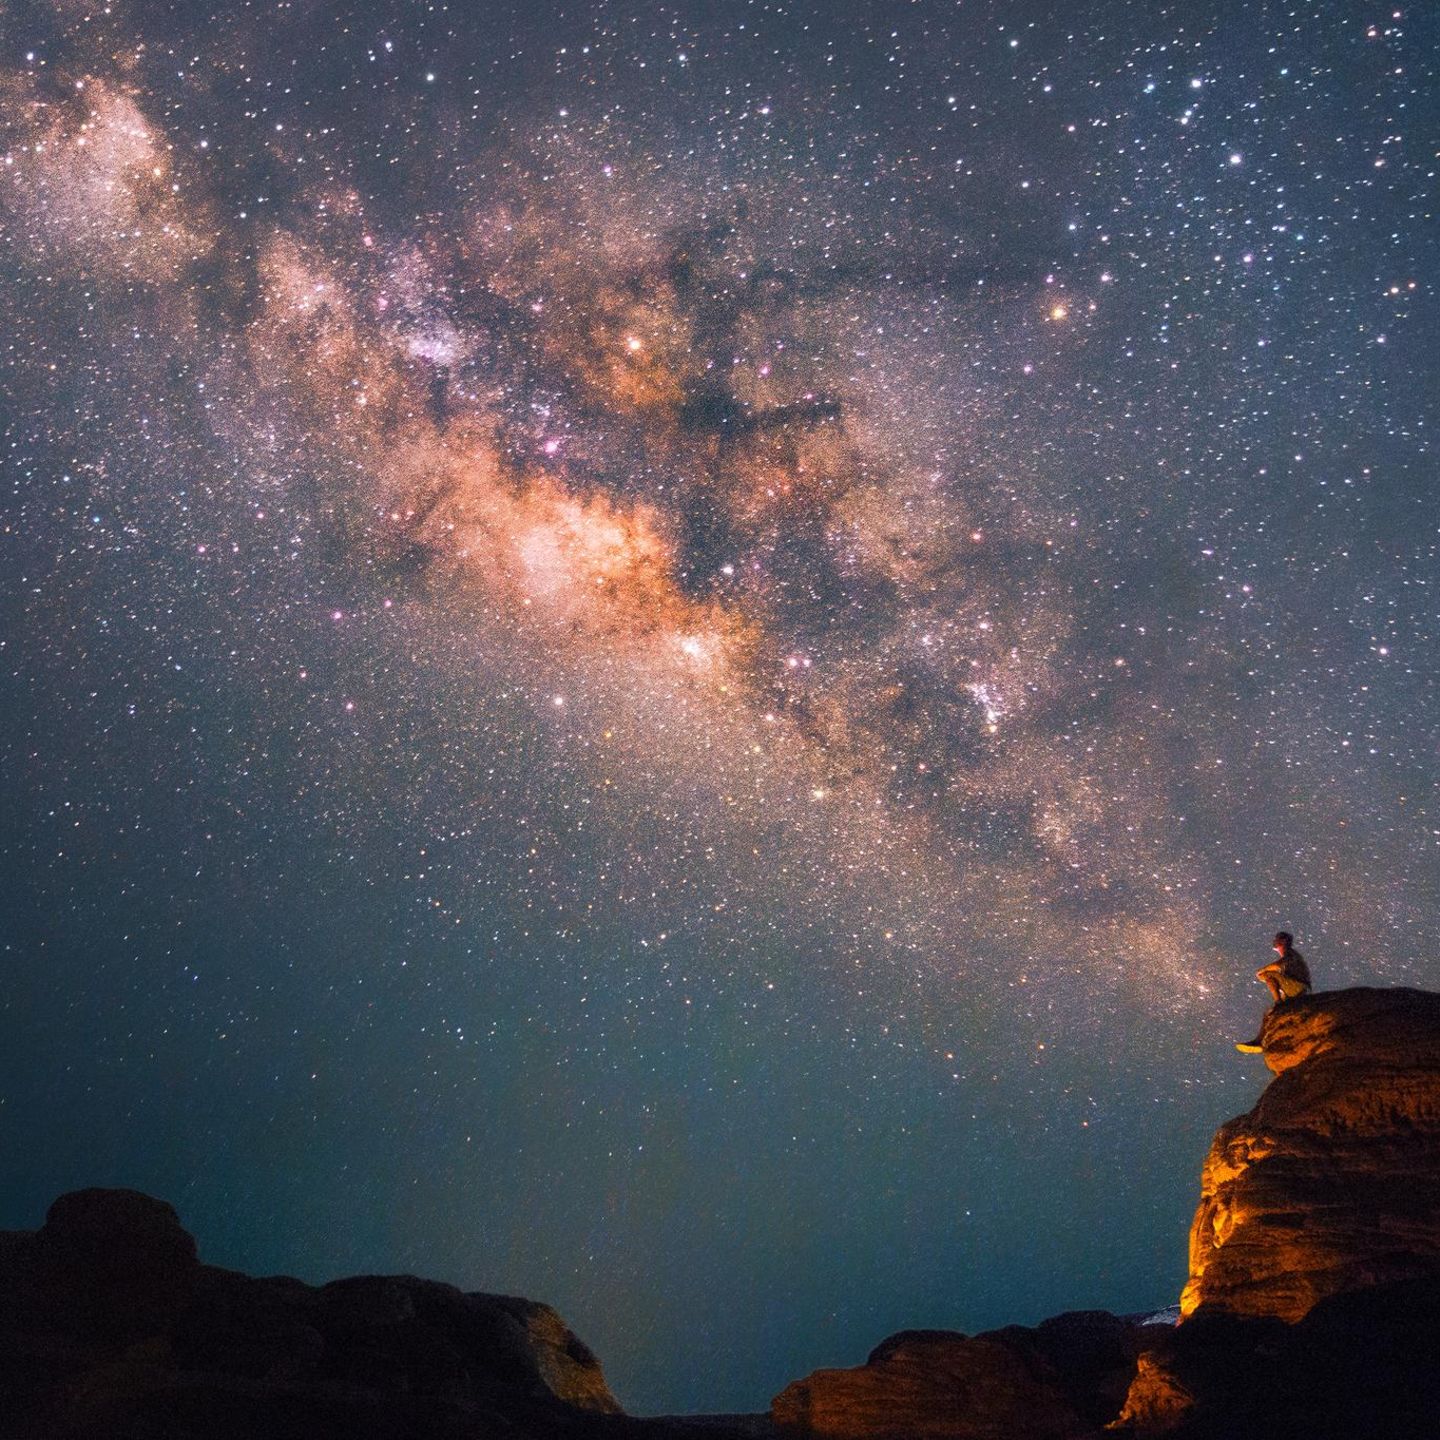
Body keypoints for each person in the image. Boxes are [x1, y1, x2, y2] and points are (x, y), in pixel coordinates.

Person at [1236, 932, 1312, 1053]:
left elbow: (1277, 966)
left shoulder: (1290, 953)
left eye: (1277, 939)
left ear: (1284, 941)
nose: (1274, 941)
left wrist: (1262, 971)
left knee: (1268, 974)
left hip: (1299, 987)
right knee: (1269, 1014)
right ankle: (1259, 1040)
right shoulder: (1288, 957)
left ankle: (1278, 1002)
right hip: (1294, 989)